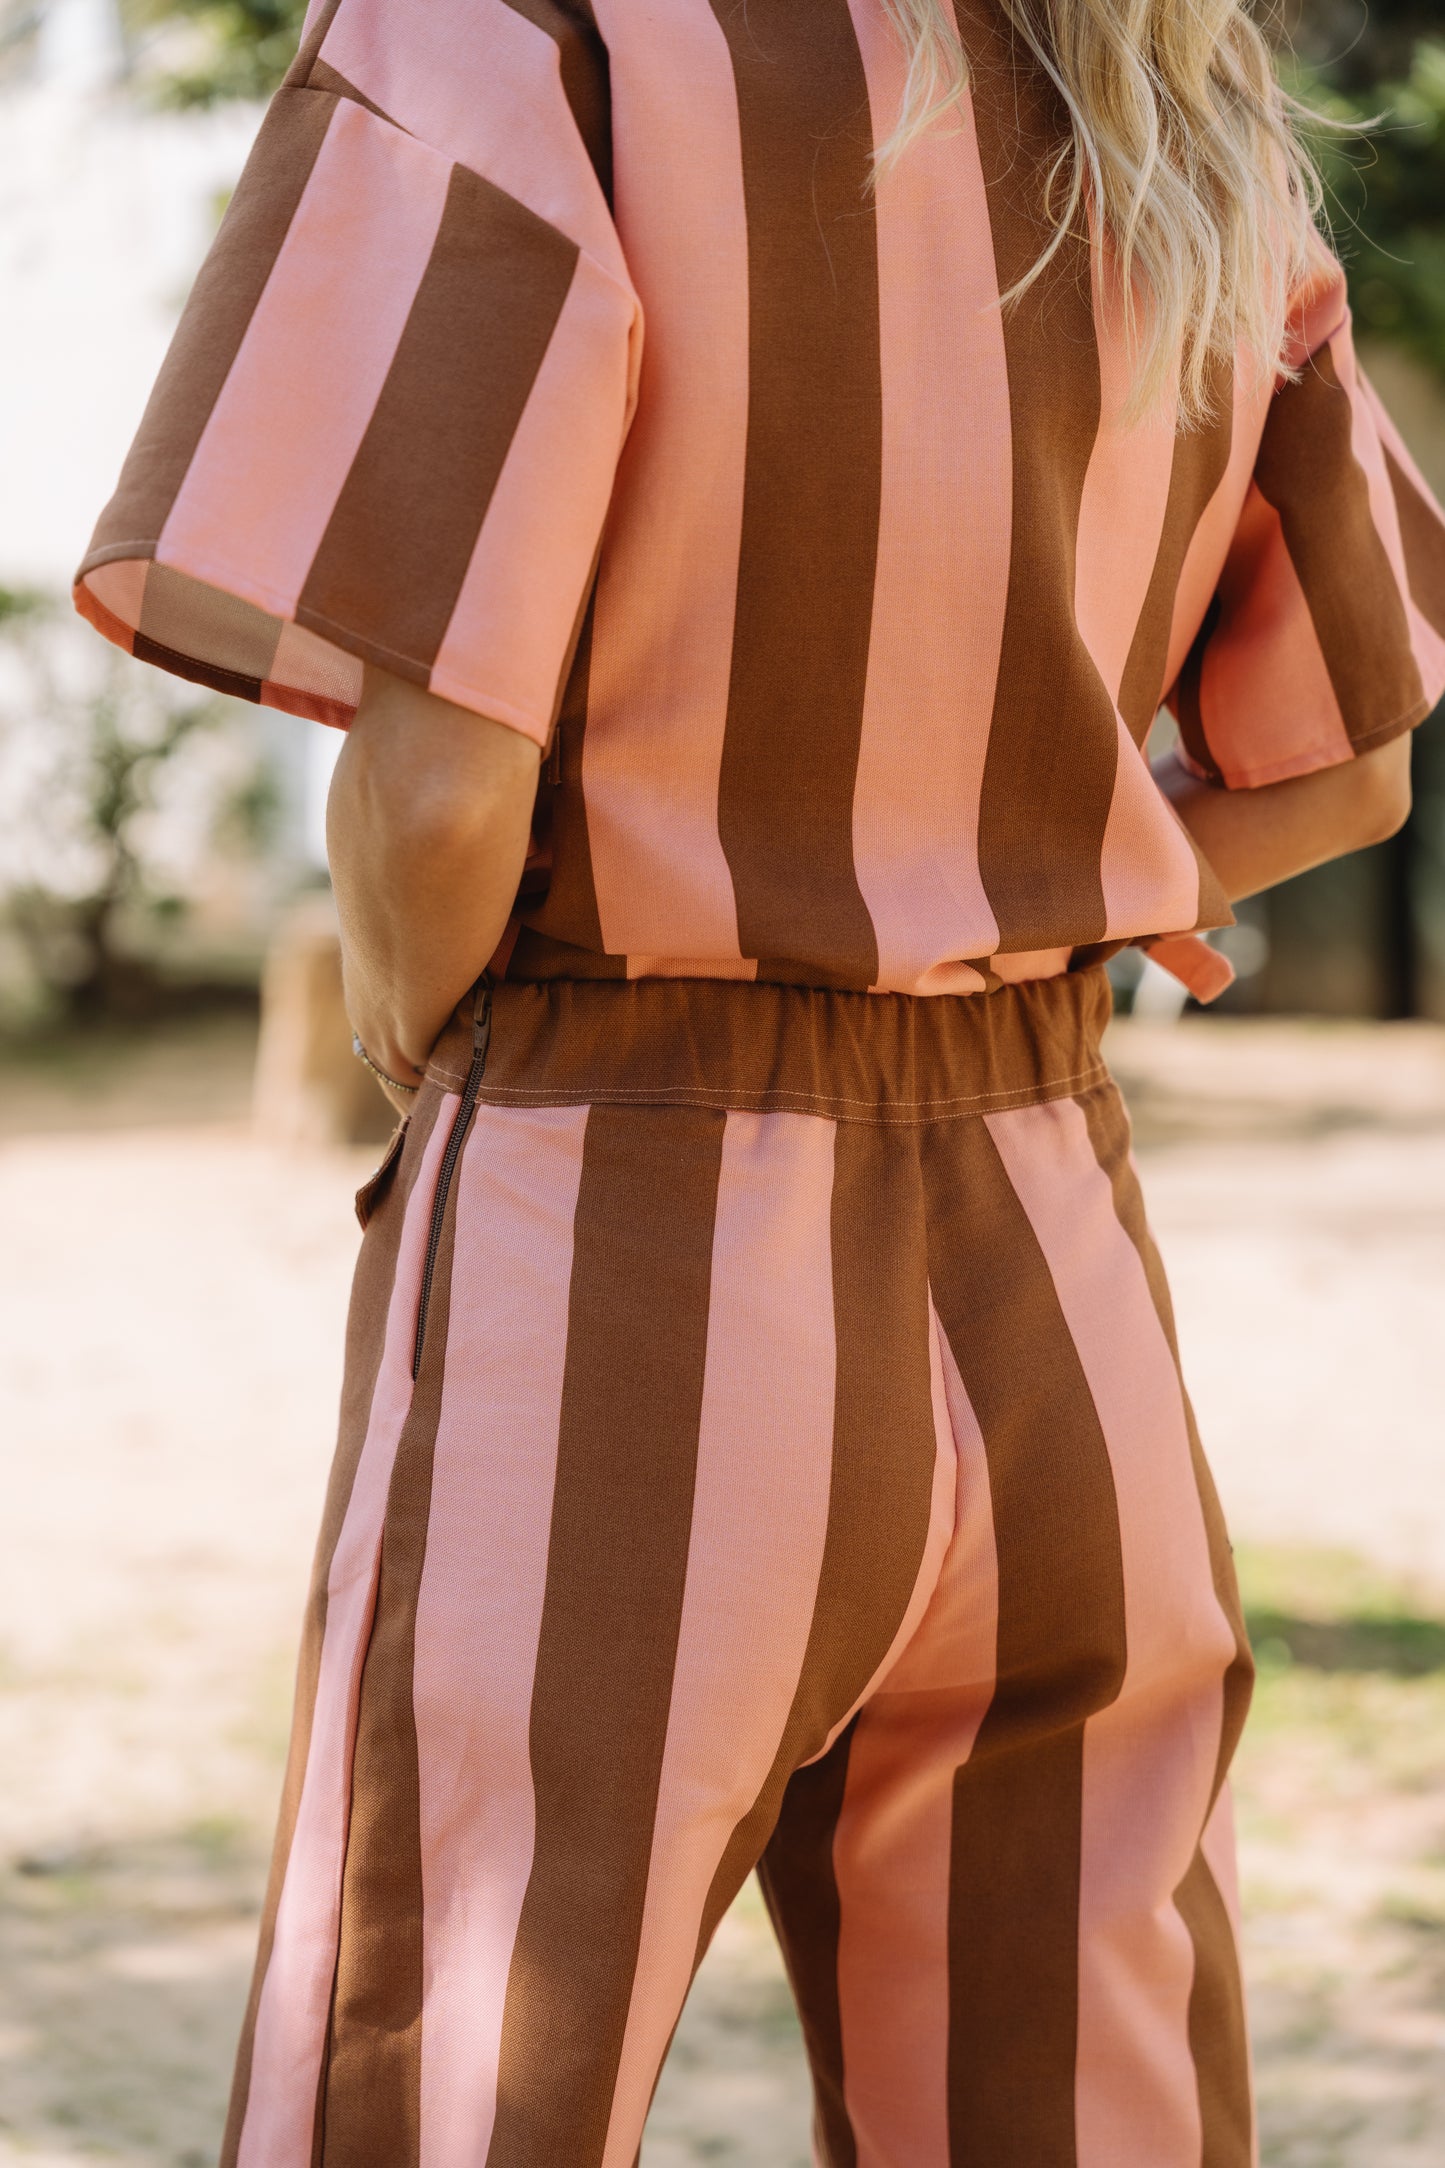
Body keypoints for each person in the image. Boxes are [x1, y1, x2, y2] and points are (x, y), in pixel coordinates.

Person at [74, 0, 1445, 2159]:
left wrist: (436, 1030)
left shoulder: (530, 33)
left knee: (447, 2083)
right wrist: (1050, 876)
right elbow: (1352, 762)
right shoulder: (1182, 82)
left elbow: (441, 788)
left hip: (622, 1185)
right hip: (1049, 1258)